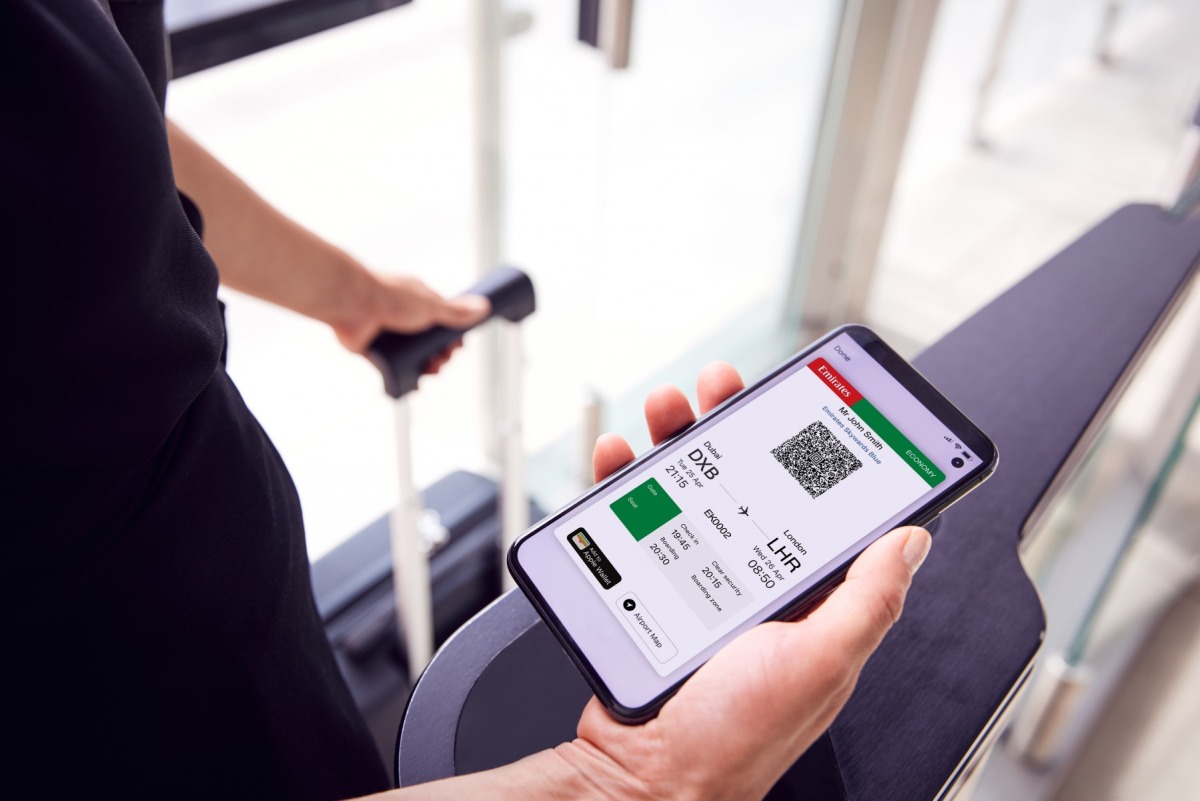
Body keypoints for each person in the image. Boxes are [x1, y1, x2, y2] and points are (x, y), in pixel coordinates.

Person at [2, 1, 930, 798]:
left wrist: (353, 295)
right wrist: (633, 782)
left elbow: (96, 115)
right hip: (105, 684)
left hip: (216, 569)